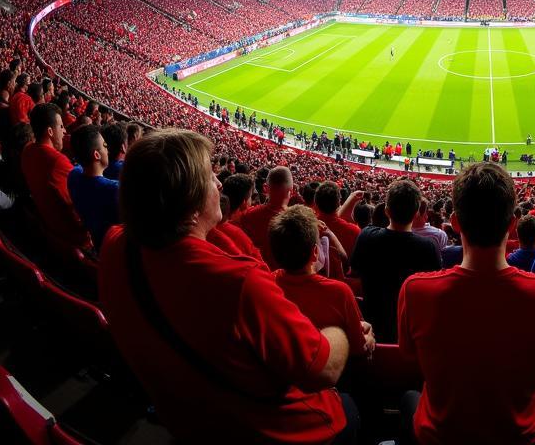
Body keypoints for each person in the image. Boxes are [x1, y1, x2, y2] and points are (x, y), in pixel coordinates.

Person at [99, 129, 356, 444]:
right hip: (270, 428)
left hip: (186, 420)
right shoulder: (238, 282)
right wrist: (341, 331)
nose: (219, 184)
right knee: (351, 411)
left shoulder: (113, 245)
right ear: (190, 206)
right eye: (209, 177)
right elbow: (323, 371)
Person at [399, 163, 535, 445]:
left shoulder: (416, 290)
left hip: (441, 436)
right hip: (525, 437)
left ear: (454, 222)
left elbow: (408, 353)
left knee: (408, 399)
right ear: (513, 223)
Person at [270, 205, 374, 360]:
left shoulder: (266, 283)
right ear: (315, 252)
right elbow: (359, 349)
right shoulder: (339, 292)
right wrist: (369, 338)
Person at [349, 178, 440, 342]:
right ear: (416, 213)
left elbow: (354, 271)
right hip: (410, 335)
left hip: (372, 331)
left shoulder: (367, 236)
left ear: (386, 211)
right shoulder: (428, 248)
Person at [20, 103, 89, 251]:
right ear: (50, 131)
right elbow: (79, 215)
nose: (64, 131)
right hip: (74, 242)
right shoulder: (58, 162)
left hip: (49, 231)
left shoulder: (27, 150)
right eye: (61, 126)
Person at [66, 124, 119, 251]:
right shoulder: (116, 190)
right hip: (113, 250)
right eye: (105, 146)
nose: (108, 149)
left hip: (97, 244)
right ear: (96, 155)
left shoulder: (73, 175)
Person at [239, 165, 293, 269]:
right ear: (292, 190)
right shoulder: (299, 224)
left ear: (265, 188)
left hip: (255, 276)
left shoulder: (247, 215)